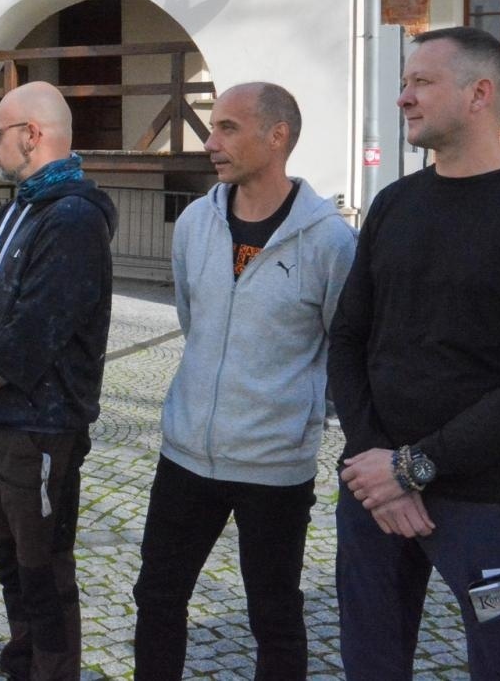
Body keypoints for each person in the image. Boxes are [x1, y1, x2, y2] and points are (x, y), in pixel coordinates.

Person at [328, 26, 500, 680]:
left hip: (488, 505)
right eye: (404, 83)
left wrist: (415, 468)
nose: (403, 98)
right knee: (369, 667)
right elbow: (347, 340)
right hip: (374, 496)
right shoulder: (394, 205)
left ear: (479, 94)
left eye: (421, 82)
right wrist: (380, 468)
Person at [132, 84, 357, 681]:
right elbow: (193, 318)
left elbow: (343, 346)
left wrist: (297, 412)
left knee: (274, 614)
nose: (211, 143)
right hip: (184, 455)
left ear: (277, 135)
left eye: (228, 127)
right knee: (156, 597)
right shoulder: (193, 225)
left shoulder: (330, 241)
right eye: (213, 128)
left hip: (274, 466)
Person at [0, 81, 116, 681]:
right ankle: (23, 666)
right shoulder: (20, 205)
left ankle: (51, 672)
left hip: (41, 428)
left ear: (32, 136)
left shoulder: (72, 218)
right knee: (13, 567)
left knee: (45, 574)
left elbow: (32, 337)